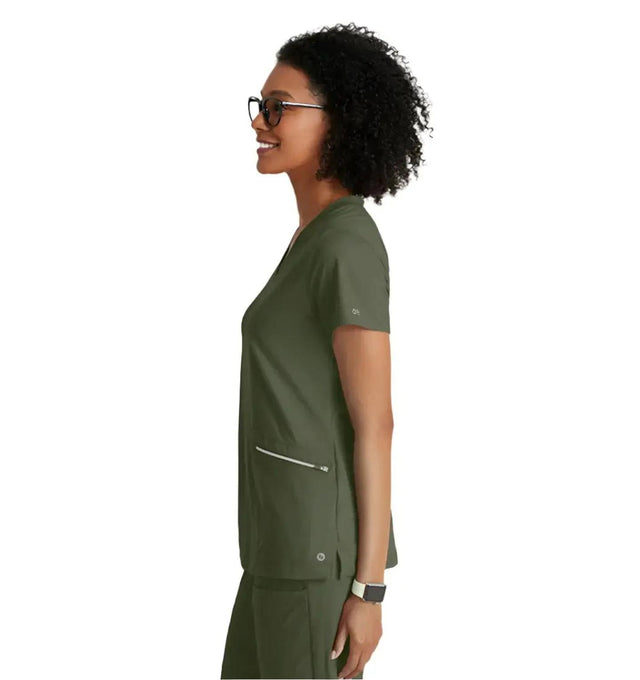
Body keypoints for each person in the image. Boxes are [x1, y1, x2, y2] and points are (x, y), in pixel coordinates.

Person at [221, 22, 432, 680]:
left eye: (278, 107)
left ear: (337, 119)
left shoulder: (346, 244)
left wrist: (368, 591)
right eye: (260, 106)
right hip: (274, 550)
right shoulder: (310, 239)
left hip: (316, 566)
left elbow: (376, 423)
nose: (260, 122)